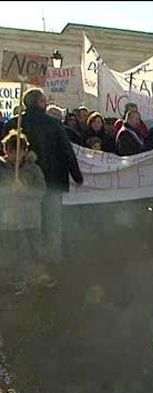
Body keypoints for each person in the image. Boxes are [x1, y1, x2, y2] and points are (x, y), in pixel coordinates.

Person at [4, 88, 83, 265]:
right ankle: (52, 258)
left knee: (27, 224)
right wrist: (76, 175)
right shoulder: (53, 124)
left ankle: (30, 260)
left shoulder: (13, 124)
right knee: (52, 222)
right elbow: (66, 150)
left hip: (22, 184)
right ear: (40, 102)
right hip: (52, 181)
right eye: (44, 100)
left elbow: (4, 152)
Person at [0, 131, 51, 294]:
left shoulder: (33, 169)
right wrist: (9, 191)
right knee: (13, 250)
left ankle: (38, 277)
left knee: (34, 249)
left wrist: (24, 191)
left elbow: (41, 191)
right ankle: (16, 280)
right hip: (9, 219)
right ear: (5, 150)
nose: (16, 154)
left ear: (25, 151)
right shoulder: (1, 169)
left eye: (20, 150)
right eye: (12, 150)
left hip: (30, 218)